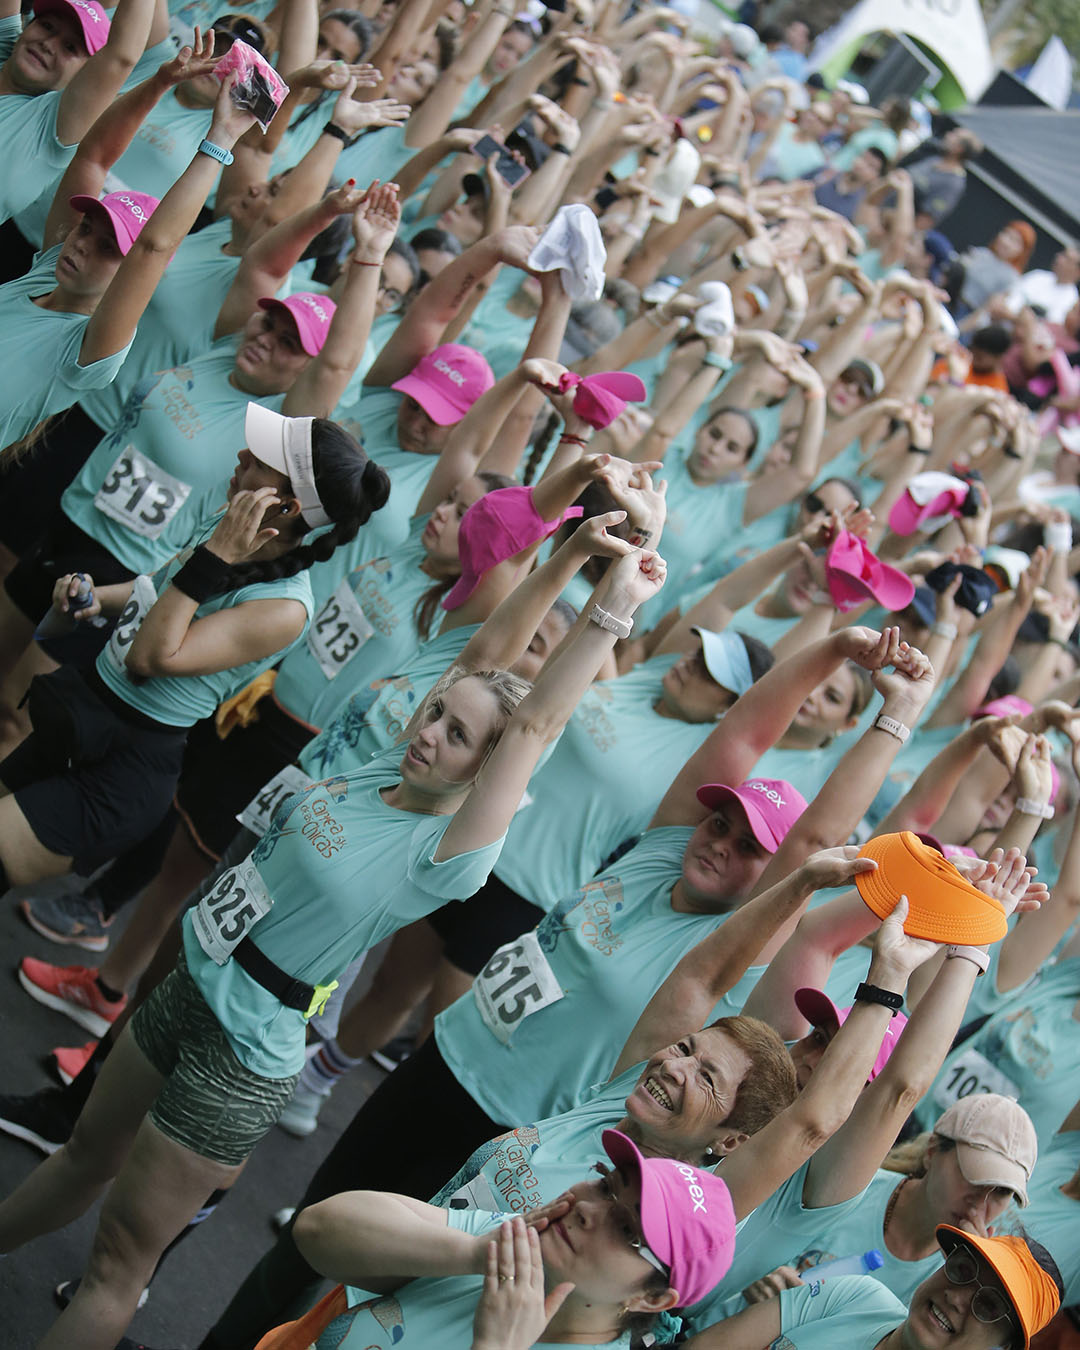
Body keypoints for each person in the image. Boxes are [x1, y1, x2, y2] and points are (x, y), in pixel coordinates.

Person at [0, 542, 668, 1350]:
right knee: (79, 1156)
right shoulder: (388, 766)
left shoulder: (444, 856)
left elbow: (533, 723)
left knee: (116, 1262)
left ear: (486, 772)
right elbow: (482, 656)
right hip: (190, 986)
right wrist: (569, 550)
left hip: (241, 1057)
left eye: (458, 735)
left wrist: (612, 605)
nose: (430, 734)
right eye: (435, 714)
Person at [0, 405, 390, 896]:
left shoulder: (284, 608)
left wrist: (216, 556)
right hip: (81, 720)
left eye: (260, 461)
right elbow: (159, 588)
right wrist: (100, 597)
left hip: (120, 773)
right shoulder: (226, 527)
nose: (242, 455)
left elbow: (151, 657)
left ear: (288, 507)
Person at [0, 62, 253, 454]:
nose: (82, 244)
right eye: (86, 228)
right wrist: (160, 82)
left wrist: (221, 140)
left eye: (108, 247)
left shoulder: (86, 348)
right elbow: (93, 158)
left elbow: (154, 248)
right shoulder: (47, 273)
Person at [684, 1227, 1062, 1349]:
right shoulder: (857, 1295)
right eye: (963, 1269)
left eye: (989, 1305)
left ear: (1002, 1346)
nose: (957, 1297)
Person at [0, 0, 157, 224]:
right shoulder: (5, 46)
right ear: (28, 25)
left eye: (70, 47)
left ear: (84, 75)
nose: (48, 44)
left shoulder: (53, 125)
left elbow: (122, 55)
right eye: (47, 26)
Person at [907, 128, 982, 229]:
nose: (948, 135)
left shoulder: (953, 183)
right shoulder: (933, 160)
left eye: (954, 135)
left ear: (959, 149)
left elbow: (923, 222)